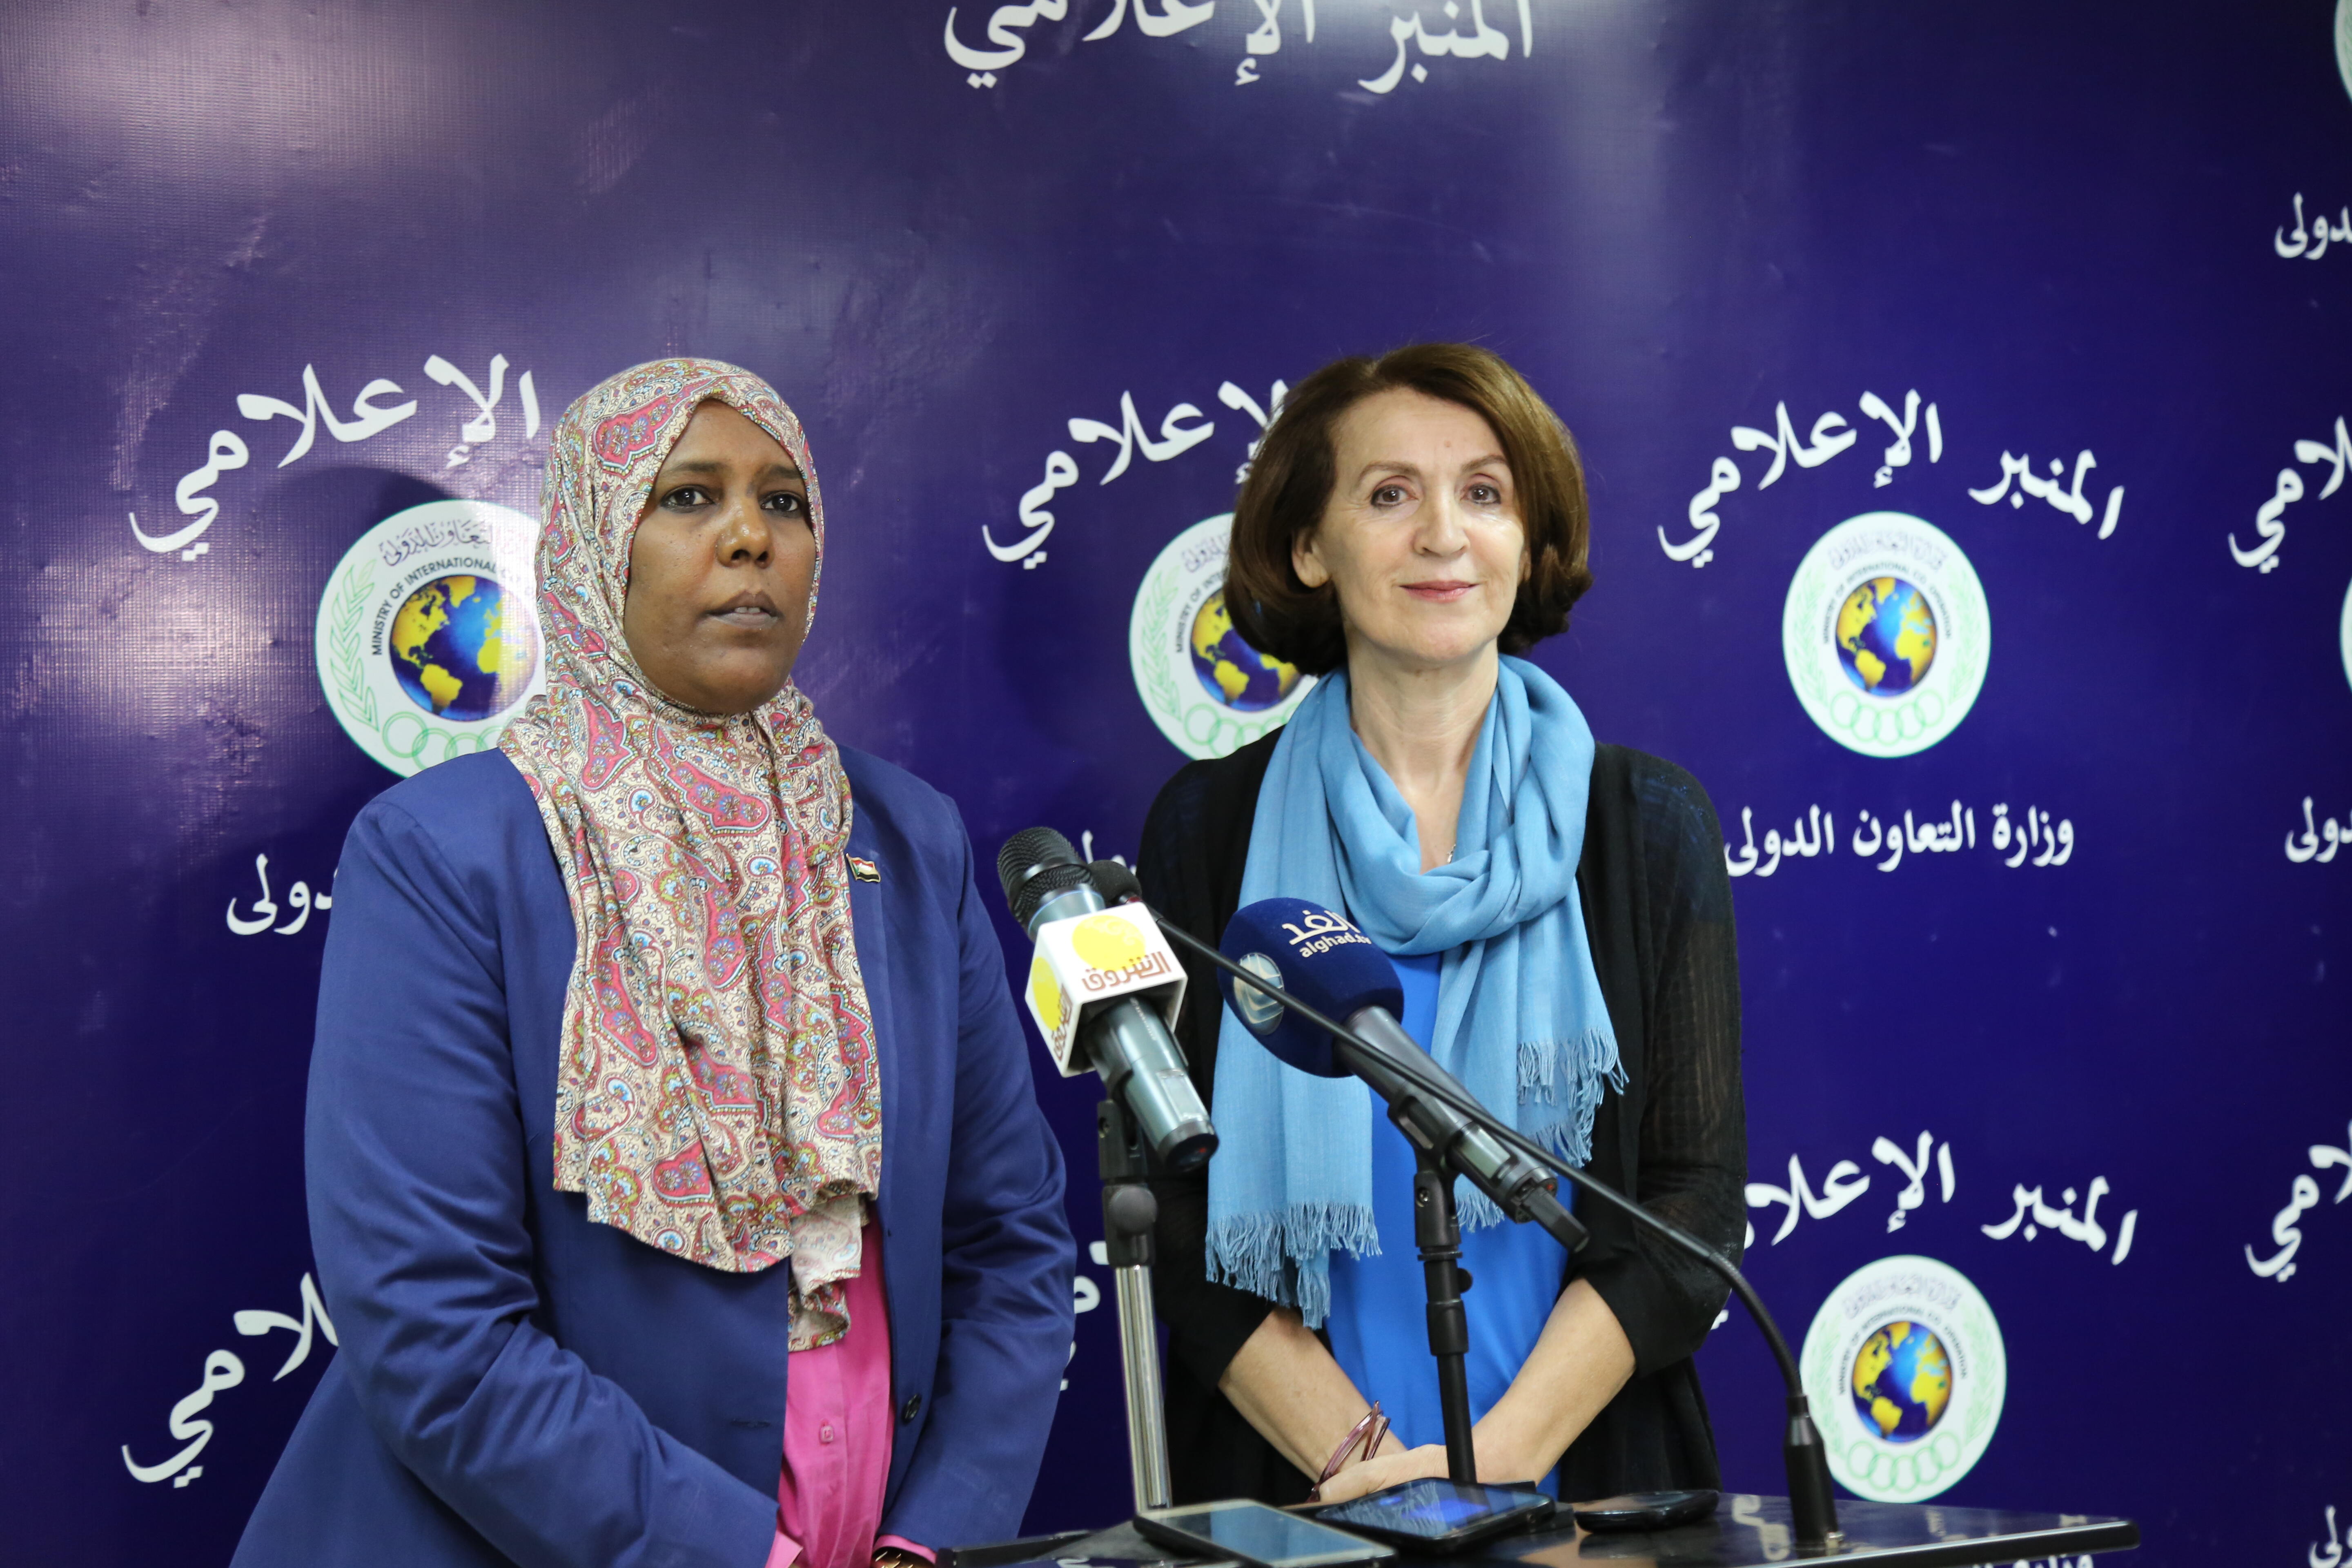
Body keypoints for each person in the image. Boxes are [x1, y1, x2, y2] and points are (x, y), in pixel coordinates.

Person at [234, 359, 1075, 1568]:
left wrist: (937, 1538)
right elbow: (433, 1330)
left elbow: (1013, 1243)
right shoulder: (447, 854)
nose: (749, 539)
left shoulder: (904, 837)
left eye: (784, 503)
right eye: (687, 498)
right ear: (591, 546)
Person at [1139, 343, 1745, 1508]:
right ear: (1310, 546)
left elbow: (1690, 1203)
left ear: (1531, 539)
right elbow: (1172, 1204)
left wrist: (1497, 1461)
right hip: (1303, 1492)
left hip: (1587, 1484)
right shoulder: (1206, 831)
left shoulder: (1646, 823)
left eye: (1484, 493)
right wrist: (1370, 1468)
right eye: (1389, 495)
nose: (1442, 536)